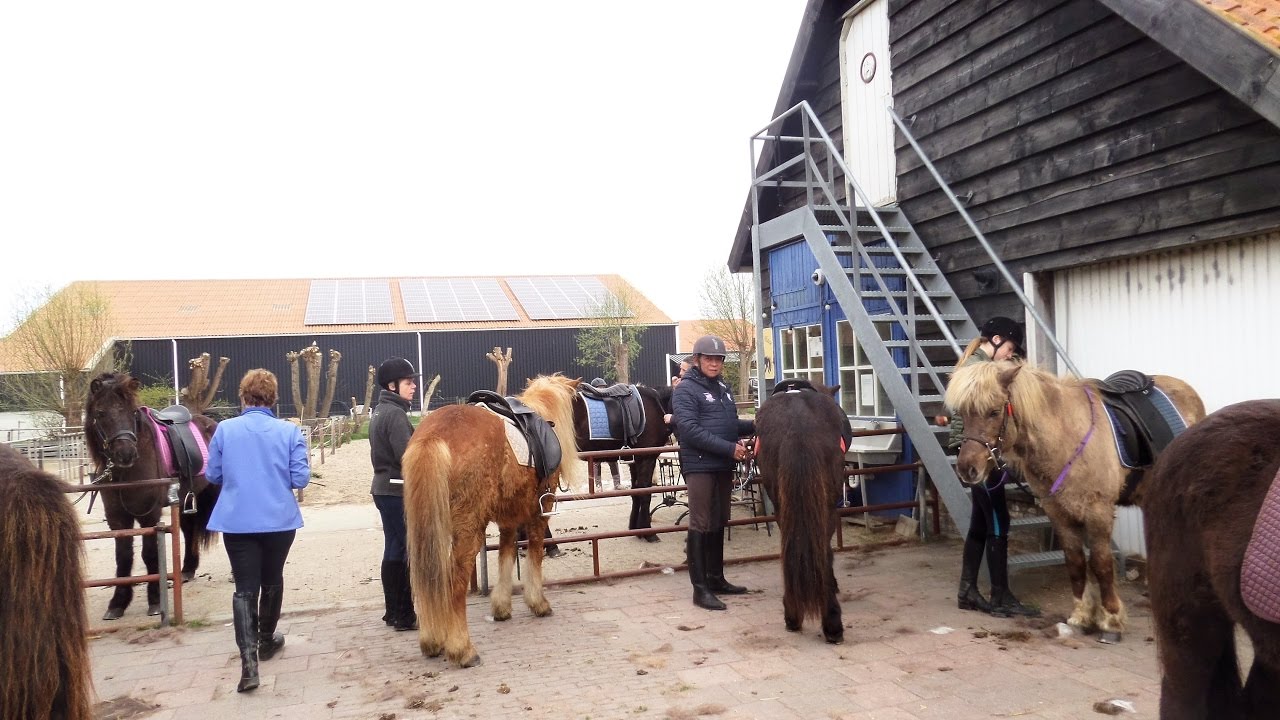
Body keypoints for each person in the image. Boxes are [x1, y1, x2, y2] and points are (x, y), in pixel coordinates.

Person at [206, 368, 310, 693]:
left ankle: (249, 666)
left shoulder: (224, 430)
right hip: (279, 520)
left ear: (243, 395)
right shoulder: (289, 432)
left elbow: (212, 474)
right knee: (272, 579)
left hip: (237, 522)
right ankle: (267, 640)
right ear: (274, 398)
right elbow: (300, 479)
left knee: (244, 588)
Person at [942, 316, 1040, 619]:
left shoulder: (973, 363)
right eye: (1010, 348)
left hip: (973, 453)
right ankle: (1000, 596)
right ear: (996, 340)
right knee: (998, 521)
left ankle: (967, 591)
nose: (1010, 355)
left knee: (980, 523)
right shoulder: (980, 369)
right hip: (979, 455)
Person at [670, 335, 755, 610]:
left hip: (721, 465)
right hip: (700, 465)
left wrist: (759, 424)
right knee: (701, 522)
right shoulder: (685, 390)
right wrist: (729, 449)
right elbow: (690, 430)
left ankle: (716, 578)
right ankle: (700, 588)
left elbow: (729, 423)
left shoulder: (723, 388)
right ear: (697, 360)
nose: (714, 363)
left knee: (719, 520)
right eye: (709, 358)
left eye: (718, 359)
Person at [369, 357, 420, 631]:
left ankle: (393, 612)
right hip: (396, 489)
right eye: (408, 382)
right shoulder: (395, 415)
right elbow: (408, 457)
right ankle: (403, 614)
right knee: (403, 551)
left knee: (392, 549)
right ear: (392, 385)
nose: (413, 387)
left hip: (383, 488)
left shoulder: (380, 411)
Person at [589, 377, 623, 489]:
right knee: (596, 461)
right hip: (596, 437)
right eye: (600, 388)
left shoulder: (612, 402)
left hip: (610, 434)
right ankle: (598, 485)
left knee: (612, 459)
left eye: (603, 388)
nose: (602, 390)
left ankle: (616, 483)